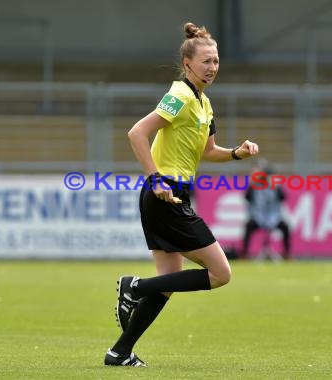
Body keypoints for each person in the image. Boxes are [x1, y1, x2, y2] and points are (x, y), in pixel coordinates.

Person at [104, 22, 259, 367]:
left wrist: (237, 153)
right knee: (221, 273)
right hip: (165, 193)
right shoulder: (180, 95)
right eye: (206, 61)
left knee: (168, 283)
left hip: (170, 194)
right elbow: (137, 133)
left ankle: (120, 352)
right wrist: (156, 179)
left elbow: (209, 151)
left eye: (216, 61)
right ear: (188, 64)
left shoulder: (203, 103)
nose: (213, 67)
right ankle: (135, 287)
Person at [241, 160, 291, 260]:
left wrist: (276, 186)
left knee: (285, 227)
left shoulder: (274, 185)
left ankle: (287, 254)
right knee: (248, 226)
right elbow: (247, 197)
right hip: (258, 217)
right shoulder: (255, 185)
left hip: (273, 217)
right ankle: (245, 254)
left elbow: (283, 197)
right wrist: (252, 184)